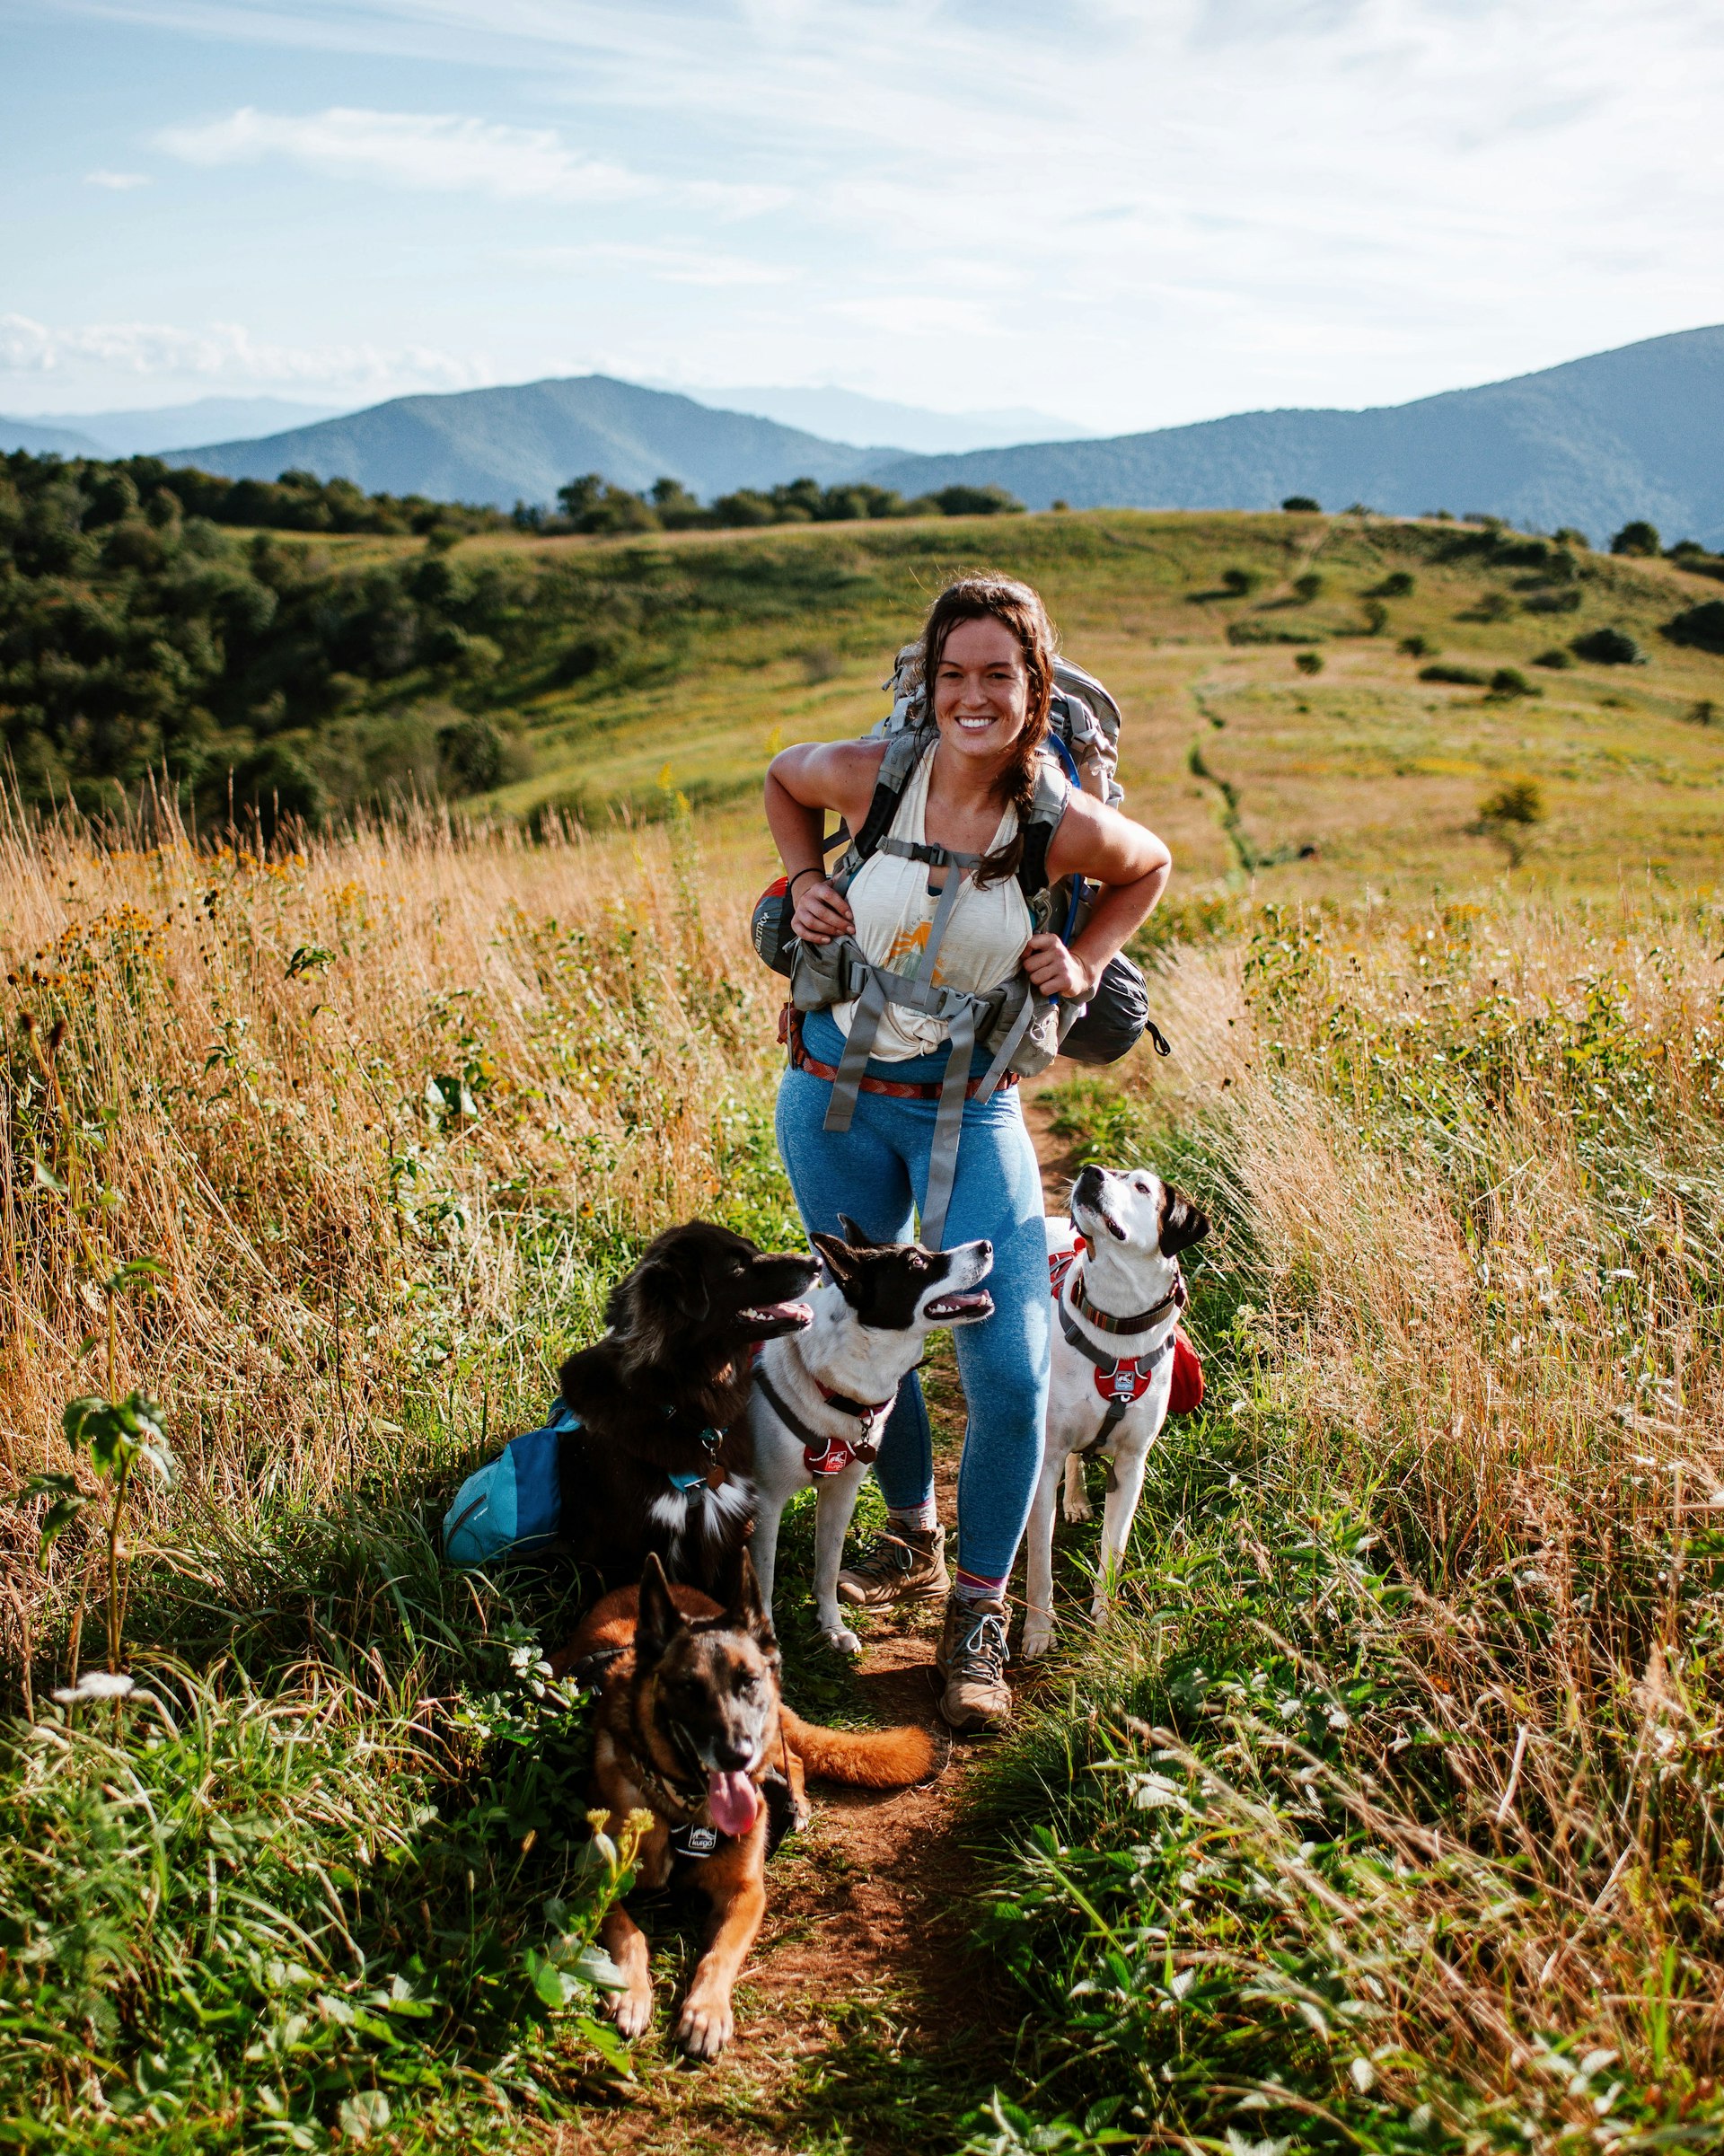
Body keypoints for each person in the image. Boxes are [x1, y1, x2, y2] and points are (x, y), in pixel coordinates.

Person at [763, 576, 1171, 1732]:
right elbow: (783, 778)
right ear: (928, 684)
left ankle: (979, 1620)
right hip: (830, 1098)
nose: (973, 696)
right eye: (953, 674)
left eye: (998, 674)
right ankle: (909, 1529)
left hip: (973, 1112)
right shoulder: (877, 774)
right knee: (861, 1334)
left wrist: (1087, 957)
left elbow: (1149, 866)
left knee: (1007, 1372)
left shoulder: (1056, 821)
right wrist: (803, 879)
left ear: (1033, 688)